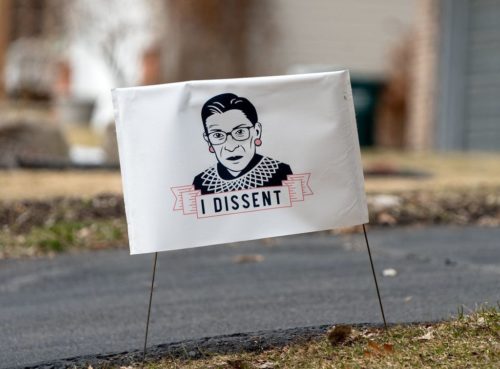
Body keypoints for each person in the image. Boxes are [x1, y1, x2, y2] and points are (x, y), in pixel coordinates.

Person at [193, 93, 292, 194]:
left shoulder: (281, 172)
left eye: (240, 132)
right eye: (218, 135)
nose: (231, 147)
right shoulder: (200, 183)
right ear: (208, 140)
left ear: (257, 132)